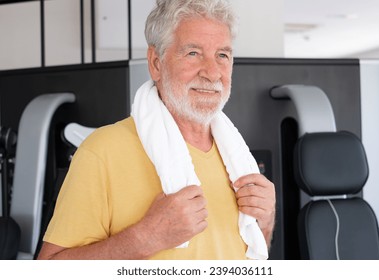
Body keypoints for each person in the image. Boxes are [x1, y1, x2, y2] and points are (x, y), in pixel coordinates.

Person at [37, 0, 275, 260]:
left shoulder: (238, 160)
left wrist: (265, 222)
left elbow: (253, 256)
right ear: (156, 63)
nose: (212, 72)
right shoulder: (102, 151)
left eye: (222, 55)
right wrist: (145, 238)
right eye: (193, 53)